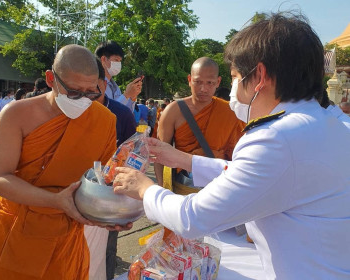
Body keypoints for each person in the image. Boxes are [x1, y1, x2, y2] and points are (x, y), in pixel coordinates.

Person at [113, 13, 350, 279]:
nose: (232, 89)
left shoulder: (277, 137)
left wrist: (145, 188)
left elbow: (193, 218)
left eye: (235, 77)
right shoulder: (330, 122)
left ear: (259, 76)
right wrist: (185, 160)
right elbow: (253, 174)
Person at [0, 44, 131, 280]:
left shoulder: (104, 120)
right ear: (51, 79)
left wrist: (110, 214)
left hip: (67, 233)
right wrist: (55, 201)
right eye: (74, 92)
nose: (83, 100)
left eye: (92, 92)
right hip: (16, 231)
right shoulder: (16, 114)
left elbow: (101, 180)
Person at [154, 57, 244, 190]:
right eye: (198, 82)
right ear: (189, 80)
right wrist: (161, 188)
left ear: (218, 82)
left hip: (220, 185)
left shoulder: (230, 112)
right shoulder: (173, 111)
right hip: (184, 185)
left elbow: (238, 153)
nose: (203, 89)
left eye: (210, 83)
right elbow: (160, 153)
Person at [83, 57, 137, 280]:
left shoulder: (120, 114)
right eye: (76, 90)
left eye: (92, 89)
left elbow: (133, 153)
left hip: (107, 193)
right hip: (73, 190)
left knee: (106, 249)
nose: (85, 96)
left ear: (104, 84)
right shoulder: (71, 109)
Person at [95, 40, 143, 112]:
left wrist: (132, 97)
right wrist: (126, 95)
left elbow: (124, 113)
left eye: (120, 61)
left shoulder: (115, 87)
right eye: (116, 59)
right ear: (104, 59)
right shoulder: (95, 84)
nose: (119, 64)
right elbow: (106, 113)